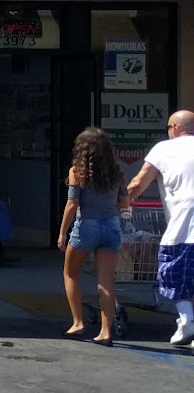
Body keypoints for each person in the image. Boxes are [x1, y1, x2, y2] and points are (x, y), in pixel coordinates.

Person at [127, 108, 194, 348]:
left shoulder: (164, 149)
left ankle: (186, 319)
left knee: (173, 272)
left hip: (184, 226)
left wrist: (121, 204)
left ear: (174, 128)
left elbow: (139, 182)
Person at [58, 127, 130, 344]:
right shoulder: (116, 173)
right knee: (106, 280)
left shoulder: (77, 172)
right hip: (111, 226)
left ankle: (78, 323)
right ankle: (106, 332)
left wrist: (62, 232)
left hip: (86, 226)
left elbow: (72, 204)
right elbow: (124, 202)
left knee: (70, 274)